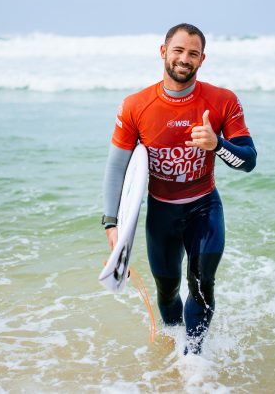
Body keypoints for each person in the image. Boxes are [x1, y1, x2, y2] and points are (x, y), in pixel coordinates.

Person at [102, 23, 257, 355]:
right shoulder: (135, 106)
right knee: (168, 291)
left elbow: (248, 161)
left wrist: (217, 144)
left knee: (200, 285)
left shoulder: (222, 101)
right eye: (178, 50)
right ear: (163, 52)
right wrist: (111, 225)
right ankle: (175, 346)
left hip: (204, 208)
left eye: (193, 53)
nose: (185, 59)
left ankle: (193, 358)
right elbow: (117, 168)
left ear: (202, 60)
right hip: (162, 213)